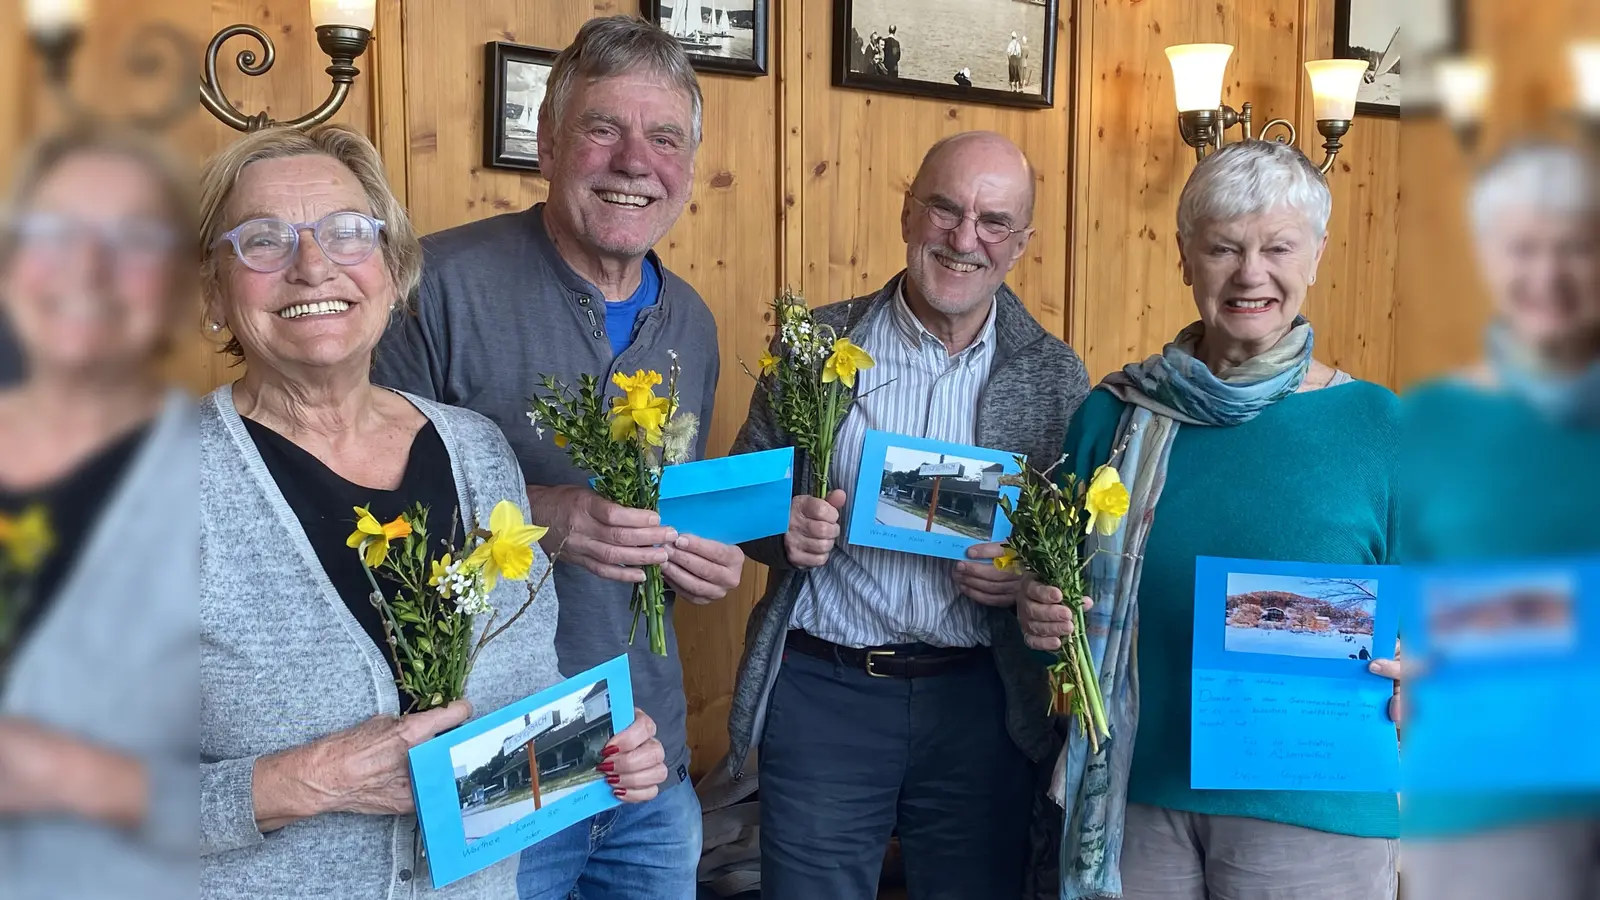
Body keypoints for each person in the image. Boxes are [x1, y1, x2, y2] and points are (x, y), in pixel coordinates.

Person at [197, 124, 668, 898]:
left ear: (392, 270)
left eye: (347, 232)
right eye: (264, 240)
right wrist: (301, 781)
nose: (312, 265)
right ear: (215, 292)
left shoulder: (477, 451)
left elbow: (524, 696)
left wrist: (600, 750)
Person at [374, 16, 742, 900]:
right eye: (603, 128)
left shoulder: (692, 320)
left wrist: (703, 562)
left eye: (664, 139)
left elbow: (667, 516)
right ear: (547, 144)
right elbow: (368, 519)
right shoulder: (435, 287)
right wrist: (543, 514)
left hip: (648, 763)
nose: (634, 162)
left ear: (689, 166)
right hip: (499, 763)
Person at [1019, 139, 1402, 900]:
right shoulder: (1110, 418)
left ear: (1317, 256)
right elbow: (1052, 598)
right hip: (1133, 798)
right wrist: (1039, 614)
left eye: (1278, 248)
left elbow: (1461, 609)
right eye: (1224, 247)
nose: (1251, 273)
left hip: (1313, 806)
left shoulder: (1378, 426)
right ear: (1184, 258)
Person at [724, 130, 1090, 900]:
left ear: (1021, 244)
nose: (965, 238)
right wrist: (782, 529)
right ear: (907, 213)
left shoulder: (1056, 376)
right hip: (826, 694)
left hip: (982, 705)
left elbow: (1072, 555)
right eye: (945, 209)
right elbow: (741, 508)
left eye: (994, 222)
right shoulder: (816, 346)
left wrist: (1026, 578)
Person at [1399, 141, 1600, 900]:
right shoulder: (1431, 422)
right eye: (1523, 249)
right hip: (1485, 801)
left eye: (1575, 247)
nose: (1548, 275)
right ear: (1486, 258)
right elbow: (1394, 604)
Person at [0, 126, 196, 900]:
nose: (87, 268)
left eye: (134, 240)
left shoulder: (222, 480)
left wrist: (93, 781)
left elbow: (289, 794)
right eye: (52, 232)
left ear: (177, 287)